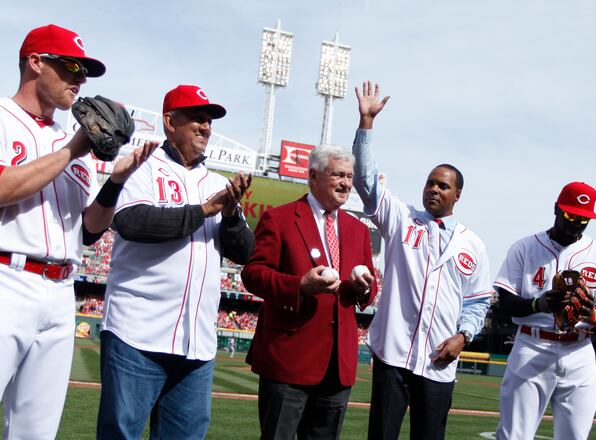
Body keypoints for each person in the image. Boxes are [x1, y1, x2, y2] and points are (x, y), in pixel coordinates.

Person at [0, 24, 156, 439]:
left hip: (58, 293)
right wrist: (72, 149)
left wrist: (116, 181)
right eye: (71, 67)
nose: (80, 80)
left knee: (35, 434)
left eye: (84, 72)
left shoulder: (76, 144)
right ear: (35, 62)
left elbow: (88, 231)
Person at [97, 84, 254, 439]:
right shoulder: (144, 167)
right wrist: (206, 209)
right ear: (169, 121)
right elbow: (131, 222)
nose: (206, 126)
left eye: (209, 120)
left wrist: (229, 215)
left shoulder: (216, 182)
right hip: (136, 333)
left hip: (195, 342)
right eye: (197, 118)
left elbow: (245, 252)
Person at [352, 81, 493, 440]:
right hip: (393, 356)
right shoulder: (402, 219)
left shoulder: (472, 244)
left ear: (457, 195)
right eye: (430, 182)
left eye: (443, 186)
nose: (434, 188)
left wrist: (464, 337)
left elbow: (477, 303)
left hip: (439, 361)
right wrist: (366, 124)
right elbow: (366, 183)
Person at [241, 144, 378, 440]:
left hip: (337, 366)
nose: (345, 183)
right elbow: (252, 275)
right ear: (314, 176)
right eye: (337, 174)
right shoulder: (279, 219)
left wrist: (363, 285)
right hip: (288, 360)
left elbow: (369, 286)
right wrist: (299, 285)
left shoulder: (358, 230)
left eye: (349, 176)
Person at [494, 182, 596, 440]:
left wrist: (594, 315)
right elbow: (504, 303)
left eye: (583, 219)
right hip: (532, 345)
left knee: (575, 436)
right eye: (570, 215)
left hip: (579, 352)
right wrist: (537, 304)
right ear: (556, 208)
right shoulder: (524, 248)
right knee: (514, 436)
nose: (575, 222)